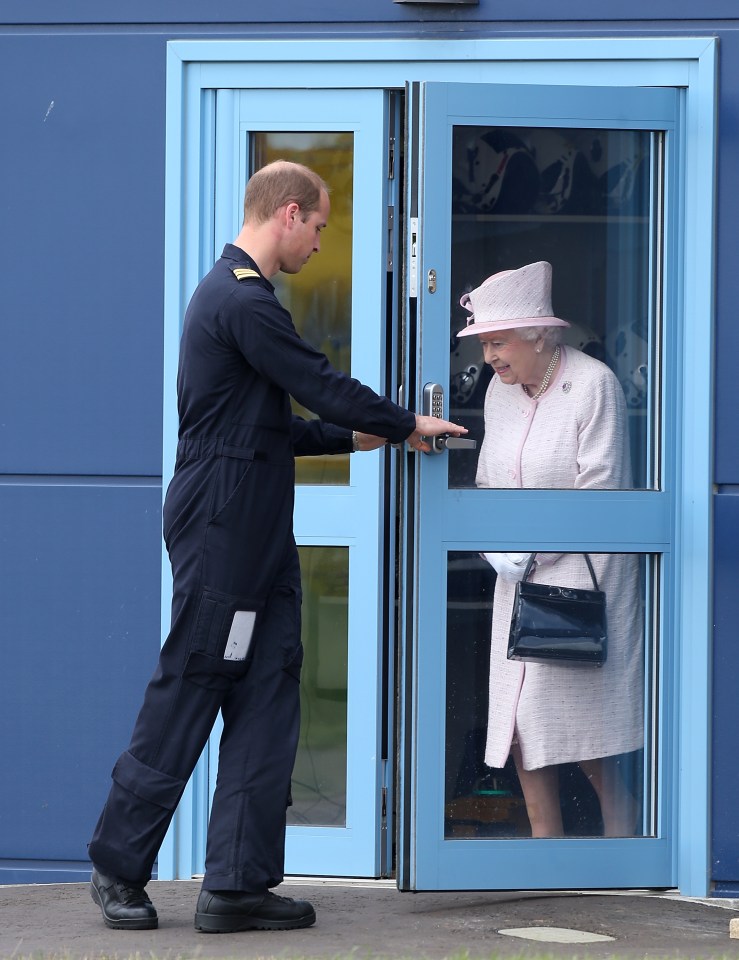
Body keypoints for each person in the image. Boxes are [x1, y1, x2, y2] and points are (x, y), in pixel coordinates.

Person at [88, 160, 465, 934]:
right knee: (193, 684)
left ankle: (236, 884)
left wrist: (355, 439)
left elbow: (269, 430)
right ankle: (117, 866)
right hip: (223, 530)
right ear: (287, 213)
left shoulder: (241, 302)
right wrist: (404, 422)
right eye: (321, 226)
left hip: (255, 532)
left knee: (267, 697)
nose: (321, 243)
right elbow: (314, 379)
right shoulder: (240, 298)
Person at [457, 260, 643, 839]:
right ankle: (546, 852)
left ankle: (623, 848)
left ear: (540, 335)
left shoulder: (593, 385)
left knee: (586, 738)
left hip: (581, 586)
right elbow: (489, 482)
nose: (490, 356)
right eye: (485, 343)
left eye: (499, 341)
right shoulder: (499, 394)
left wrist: (533, 551)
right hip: (517, 583)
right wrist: (499, 549)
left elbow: (602, 496)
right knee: (519, 729)